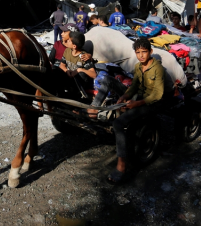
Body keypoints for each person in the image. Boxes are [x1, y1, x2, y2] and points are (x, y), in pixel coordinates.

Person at [106, 38, 169, 184]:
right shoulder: (138, 67)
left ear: (150, 52)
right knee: (114, 109)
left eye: (144, 52)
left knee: (118, 124)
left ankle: (121, 166)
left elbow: (158, 95)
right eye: (138, 52)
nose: (141, 55)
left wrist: (137, 103)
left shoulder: (158, 68)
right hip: (139, 98)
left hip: (153, 102)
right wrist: (125, 96)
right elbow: (134, 86)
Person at [59, 31, 97, 97]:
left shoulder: (83, 56)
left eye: (69, 40)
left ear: (74, 46)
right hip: (69, 78)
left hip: (78, 84)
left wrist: (79, 70)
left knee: (81, 75)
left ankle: (76, 96)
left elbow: (94, 74)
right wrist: (67, 71)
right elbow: (62, 65)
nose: (67, 41)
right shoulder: (67, 51)